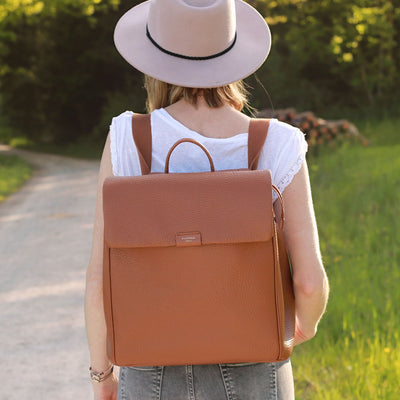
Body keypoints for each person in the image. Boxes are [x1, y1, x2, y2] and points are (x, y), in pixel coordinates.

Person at [84, 0, 330, 399]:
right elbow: (308, 280)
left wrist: (102, 377)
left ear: (154, 61)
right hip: (256, 363)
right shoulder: (278, 142)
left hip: (150, 366)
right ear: (234, 55)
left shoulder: (127, 137)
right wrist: (307, 323)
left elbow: (99, 279)